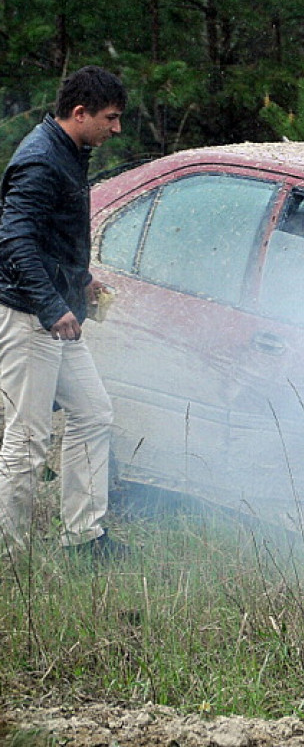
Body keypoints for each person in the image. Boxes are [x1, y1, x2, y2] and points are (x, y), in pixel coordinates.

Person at [0, 65, 127, 560]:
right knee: (27, 440)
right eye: (111, 118)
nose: (116, 129)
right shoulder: (40, 161)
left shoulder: (70, 151)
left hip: (57, 314)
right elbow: (13, 240)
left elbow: (49, 237)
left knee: (94, 413)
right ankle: (9, 558)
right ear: (80, 113)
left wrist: (81, 280)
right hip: (31, 319)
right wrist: (53, 305)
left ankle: (83, 537)